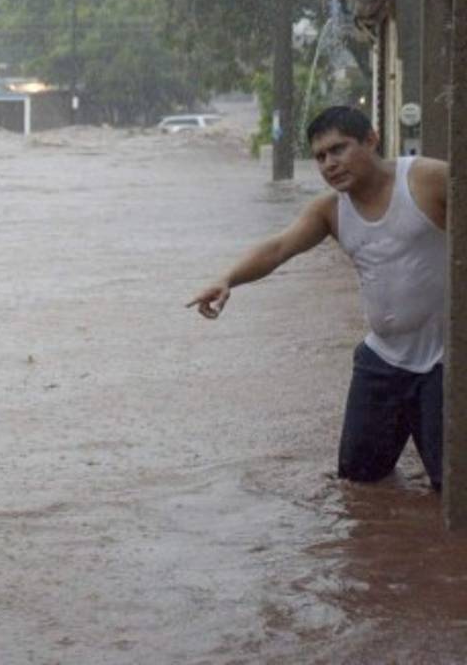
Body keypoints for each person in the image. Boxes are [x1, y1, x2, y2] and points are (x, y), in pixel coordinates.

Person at [188, 106, 447, 490]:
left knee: (453, 490)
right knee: (359, 485)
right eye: (321, 157)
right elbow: (278, 248)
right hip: (384, 361)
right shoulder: (330, 210)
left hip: (445, 361)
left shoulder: (426, 179)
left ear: (371, 140)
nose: (330, 164)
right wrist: (228, 278)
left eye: (339, 149)